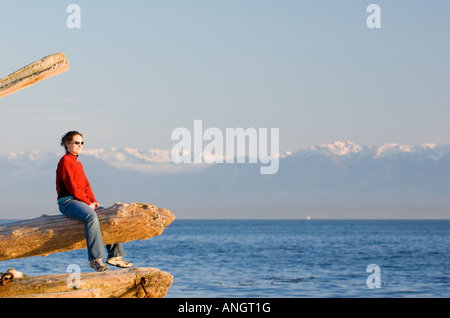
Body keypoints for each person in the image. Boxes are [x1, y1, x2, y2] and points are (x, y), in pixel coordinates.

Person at [56, 131, 133, 272]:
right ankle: (95, 260)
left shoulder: (78, 163)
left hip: (81, 200)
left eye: (82, 143)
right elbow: (73, 188)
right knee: (91, 217)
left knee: (110, 215)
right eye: (76, 142)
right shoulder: (65, 161)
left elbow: (86, 185)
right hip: (68, 202)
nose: (80, 145)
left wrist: (93, 201)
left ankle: (115, 256)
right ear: (67, 144)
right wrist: (87, 203)